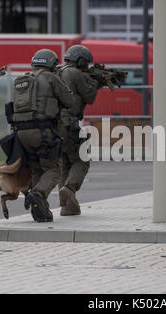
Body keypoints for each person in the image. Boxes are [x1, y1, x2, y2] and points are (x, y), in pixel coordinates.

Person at [13, 49, 77, 223]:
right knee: (54, 169)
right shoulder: (51, 78)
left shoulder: (21, 80)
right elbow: (70, 101)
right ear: (52, 64)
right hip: (42, 131)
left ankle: (41, 211)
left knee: (37, 169)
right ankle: (38, 194)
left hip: (21, 133)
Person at [56, 45, 103, 216]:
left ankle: (66, 206)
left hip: (54, 125)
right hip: (69, 123)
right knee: (82, 158)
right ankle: (69, 188)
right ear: (80, 60)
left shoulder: (58, 71)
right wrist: (97, 81)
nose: (86, 67)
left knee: (65, 164)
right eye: (86, 63)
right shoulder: (74, 73)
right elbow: (89, 96)